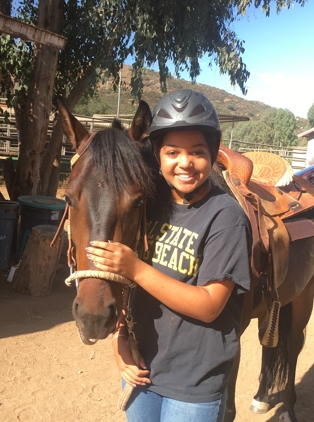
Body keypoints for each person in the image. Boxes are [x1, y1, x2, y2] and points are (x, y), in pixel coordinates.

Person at [85, 89, 251, 422]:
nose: (185, 162)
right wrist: (120, 337)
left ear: (212, 154)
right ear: (157, 155)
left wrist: (135, 268)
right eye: (172, 152)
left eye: (198, 152)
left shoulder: (225, 216)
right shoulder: (147, 205)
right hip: (142, 369)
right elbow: (126, 286)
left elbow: (209, 305)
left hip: (194, 383)